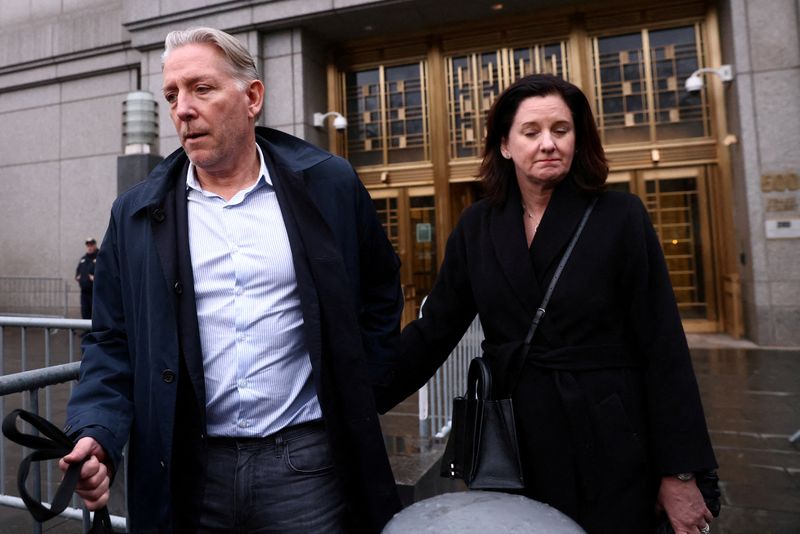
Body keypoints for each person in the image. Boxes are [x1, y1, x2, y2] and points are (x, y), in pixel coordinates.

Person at [60, 27, 403, 533]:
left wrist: (359, 386)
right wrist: (97, 431)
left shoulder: (328, 184)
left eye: (201, 88)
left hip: (306, 467)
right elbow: (112, 340)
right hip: (186, 470)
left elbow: (380, 290)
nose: (182, 109)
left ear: (252, 97)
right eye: (172, 94)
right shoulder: (134, 214)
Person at [374, 74, 718, 534]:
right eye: (531, 131)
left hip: (610, 431)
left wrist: (680, 472)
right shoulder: (478, 225)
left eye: (561, 129)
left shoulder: (620, 216)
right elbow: (434, 330)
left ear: (579, 139)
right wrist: (359, 396)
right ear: (505, 145)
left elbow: (663, 348)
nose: (548, 144)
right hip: (514, 438)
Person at [74, 237, 98, 319]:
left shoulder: (100, 257)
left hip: (95, 292)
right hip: (84, 292)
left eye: (91, 245)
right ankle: (86, 331)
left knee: (96, 313)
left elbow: (105, 271)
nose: (89, 247)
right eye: (88, 245)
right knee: (85, 311)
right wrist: (78, 276)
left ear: (95, 245)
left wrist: (97, 278)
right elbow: (78, 270)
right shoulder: (83, 259)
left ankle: (96, 331)